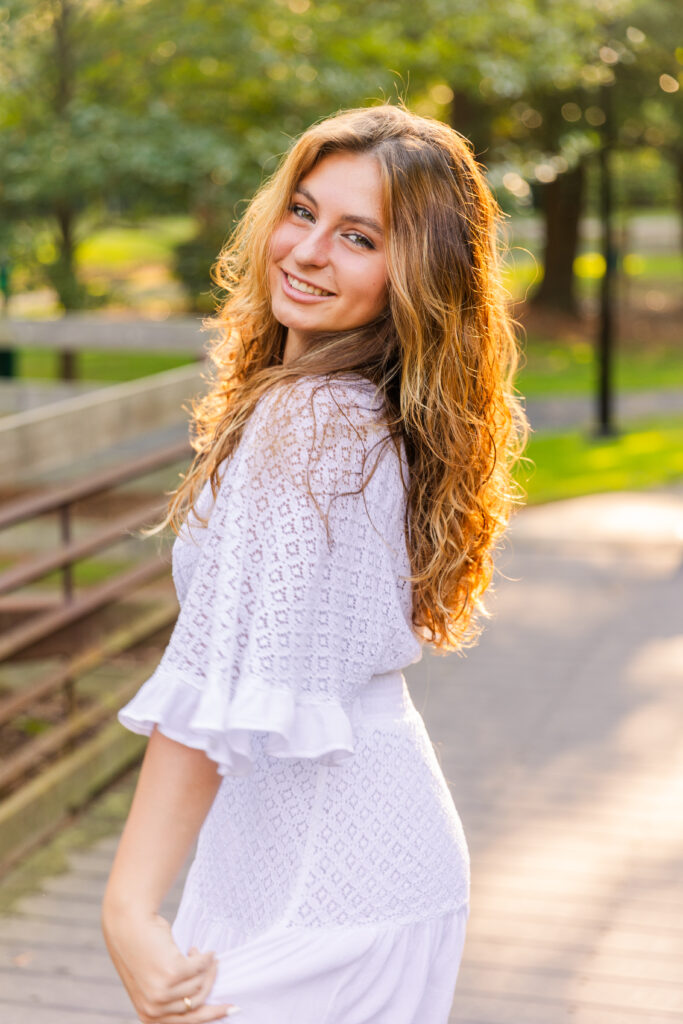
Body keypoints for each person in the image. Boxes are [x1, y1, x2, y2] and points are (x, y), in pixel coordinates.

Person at [101, 102, 527, 1024]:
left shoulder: (315, 419)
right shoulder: (351, 405)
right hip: (334, 866)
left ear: (414, 274)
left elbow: (223, 676)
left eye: (357, 236)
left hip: (331, 890)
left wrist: (126, 904)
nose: (306, 251)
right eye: (301, 212)